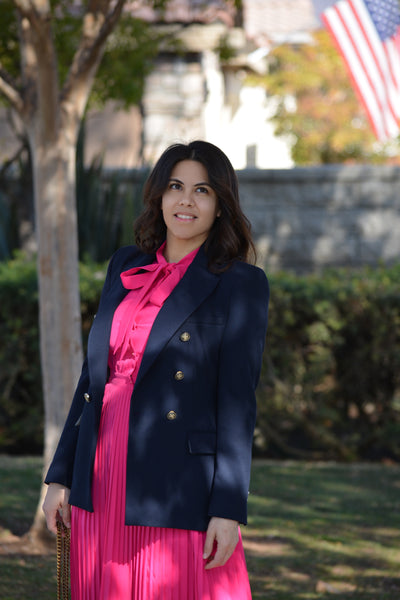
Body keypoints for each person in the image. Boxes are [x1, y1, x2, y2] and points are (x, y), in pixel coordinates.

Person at [43, 140, 269, 600]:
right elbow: (91, 381)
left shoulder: (240, 283)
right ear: (159, 196)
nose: (186, 200)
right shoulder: (125, 265)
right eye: (175, 186)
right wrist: (60, 475)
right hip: (101, 463)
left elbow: (238, 401)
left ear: (221, 205)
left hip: (175, 478)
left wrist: (228, 508)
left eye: (202, 190)